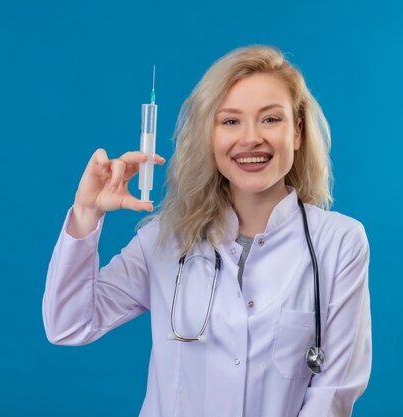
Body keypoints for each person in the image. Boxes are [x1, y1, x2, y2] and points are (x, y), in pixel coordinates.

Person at [42, 45, 371, 417]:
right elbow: (68, 325)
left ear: (296, 132)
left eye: (270, 119)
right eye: (230, 121)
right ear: (208, 136)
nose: (250, 139)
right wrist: (86, 212)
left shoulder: (340, 243)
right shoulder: (165, 239)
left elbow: (332, 393)